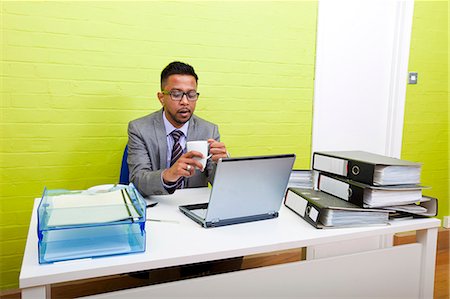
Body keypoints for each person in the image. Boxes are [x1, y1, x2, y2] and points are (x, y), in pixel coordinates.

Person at [127, 61, 229, 197]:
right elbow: (138, 180)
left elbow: (220, 183)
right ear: (161, 97)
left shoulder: (209, 130)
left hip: (193, 207)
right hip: (159, 206)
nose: (185, 102)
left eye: (191, 95)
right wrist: (169, 175)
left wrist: (223, 165)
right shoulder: (140, 129)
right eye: (176, 94)